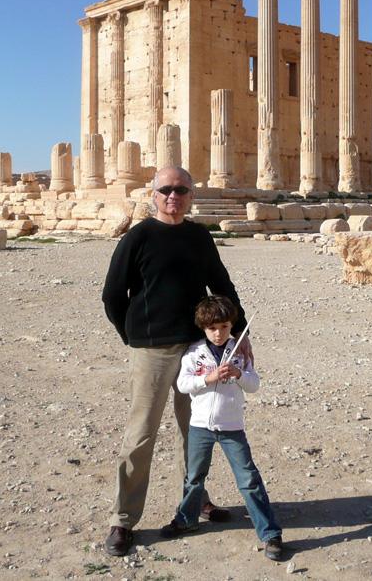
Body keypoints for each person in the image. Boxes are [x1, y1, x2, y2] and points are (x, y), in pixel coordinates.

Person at [101, 166, 250, 557]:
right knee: (141, 434)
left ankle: (196, 501)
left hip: (195, 349)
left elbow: (222, 286)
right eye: (166, 189)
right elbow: (113, 295)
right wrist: (132, 336)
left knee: (199, 431)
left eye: (181, 189)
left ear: (191, 195)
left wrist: (240, 334)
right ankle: (123, 519)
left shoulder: (199, 236)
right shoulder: (138, 237)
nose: (173, 196)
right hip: (151, 349)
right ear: (154, 194)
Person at [160, 295, 284, 561]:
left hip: (232, 427)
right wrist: (209, 378)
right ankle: (186, 519)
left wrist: (239, 376)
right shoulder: (194, 353)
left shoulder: (239, 351)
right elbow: (183, 385)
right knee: (194, 477)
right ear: (204, 328)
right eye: (213, 328)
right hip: (200, 427)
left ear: (232, 326)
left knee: (249, 480)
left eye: (225, 327)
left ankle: (270, 533)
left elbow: (254, 384)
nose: (219, 333)